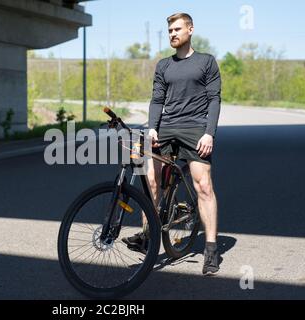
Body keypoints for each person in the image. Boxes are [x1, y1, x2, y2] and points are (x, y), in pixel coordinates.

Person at [122, 13, 221, 275]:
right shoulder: (164, 65)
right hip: (166, 127)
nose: (172, 34)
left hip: (195, 129)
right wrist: (152, 128)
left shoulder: (206, 62)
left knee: (203, 185)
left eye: (177, 29)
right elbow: (157, 100)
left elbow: (214, 100)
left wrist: (209, 133)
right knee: (152, 182)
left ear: (190, 30)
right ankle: (147, 237)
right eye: (169, 31)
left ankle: (211, 250)